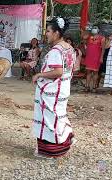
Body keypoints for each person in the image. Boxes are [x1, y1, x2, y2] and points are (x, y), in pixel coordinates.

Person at [32, 17, 75, 158]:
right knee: (59, 115)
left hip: (53, 91)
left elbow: (58, 72)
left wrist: (39, 74)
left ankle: (53, 150)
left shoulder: (56, 51)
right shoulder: (69, 48)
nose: (47, 34)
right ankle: (65, 142)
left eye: (49, 31)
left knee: (50, 119)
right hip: (62, 88)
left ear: (57, 33)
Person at [84, 26, 105, 92]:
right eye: (93, 28)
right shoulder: (89, 36)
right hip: (89, 56)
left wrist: (101, 57)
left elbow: (103, 49)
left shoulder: (102, 38)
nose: (94, 29)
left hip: (97, 56)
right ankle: (87, 86)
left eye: (95, 28)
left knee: (95, 72)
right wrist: (88, 30)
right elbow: (83, 37)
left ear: (98, 30)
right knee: (88, 72)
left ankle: (94, 87)